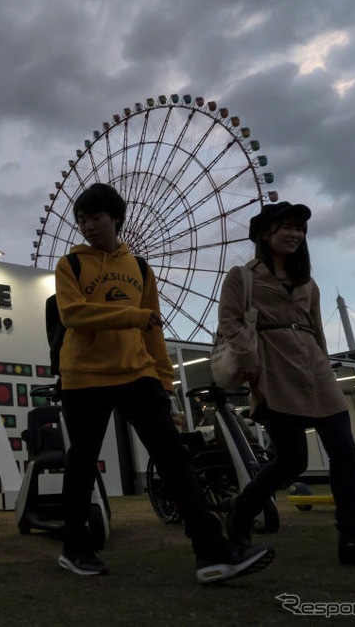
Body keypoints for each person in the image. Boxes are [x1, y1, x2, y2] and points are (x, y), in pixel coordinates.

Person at [55, 182, 273, 583]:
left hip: (138, 373)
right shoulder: (70, 265)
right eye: (82, 220)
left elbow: (155, 331)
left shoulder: (139, 268)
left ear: (116, 218)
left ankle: (211, 552)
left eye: (96, 219)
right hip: (84, 376)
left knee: (174, 459)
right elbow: (73, 316)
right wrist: (132, 316)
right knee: (83, 463)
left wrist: (165, 381)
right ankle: (75, 547)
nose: (87, 227)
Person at [220, 201, 355, 571]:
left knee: (345, 452)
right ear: (264, 234)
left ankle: (353, 540)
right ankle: (241, 512)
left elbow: (317, 330)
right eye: (285, 227)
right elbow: (229, 320)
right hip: (274, 369)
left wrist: (324, 364)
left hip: (315, 369)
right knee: (291, 462)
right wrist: (250, 362)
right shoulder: (243, 277)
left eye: (300, 229)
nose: (294, 234)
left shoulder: (309, 284)